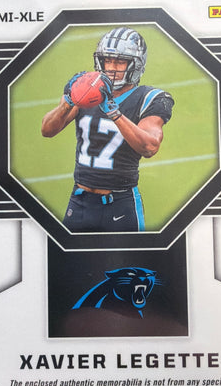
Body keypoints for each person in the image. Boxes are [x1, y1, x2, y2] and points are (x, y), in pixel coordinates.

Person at [41, 27, 174, 232]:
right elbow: (47, 130)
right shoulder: (87, 87)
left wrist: (115, 113)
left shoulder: (149, 98)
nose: (111, 68)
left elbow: (149, 147)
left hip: (120, 203)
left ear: (136, 64)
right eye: (107, 60)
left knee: (130, 254)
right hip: (80, 200)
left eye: (120, 62)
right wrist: (69, 101)